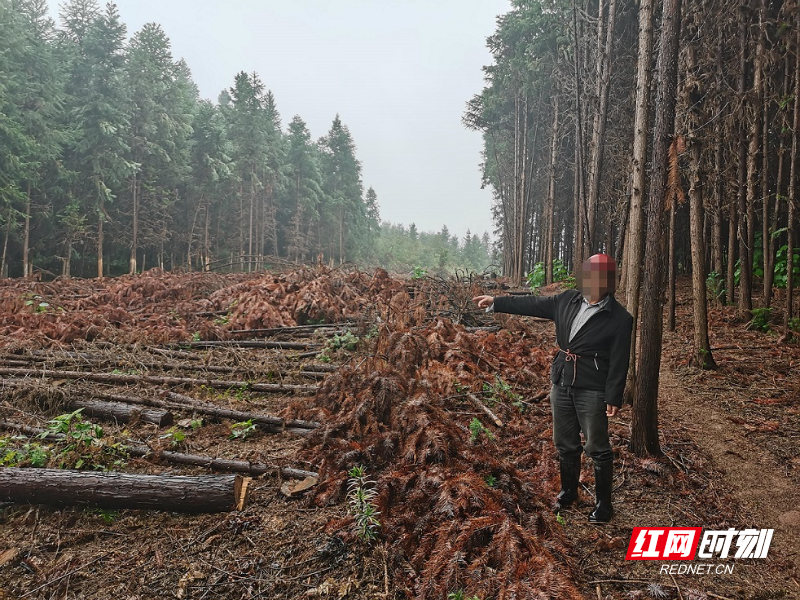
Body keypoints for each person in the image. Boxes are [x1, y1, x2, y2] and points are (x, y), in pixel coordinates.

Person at [472, 253, 633, 523]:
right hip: (562, 381)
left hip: (593, 388)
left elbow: (620, 360)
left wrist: (613, 395)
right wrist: (496, 302)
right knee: (565, 442)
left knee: (597, 446)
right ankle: (569, 491)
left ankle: (604, 504)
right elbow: (533, 303)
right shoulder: (566, 299)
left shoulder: (619, 318)